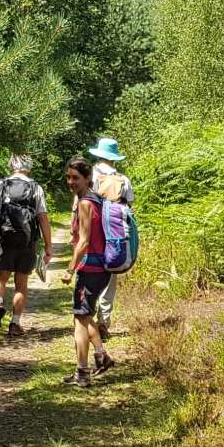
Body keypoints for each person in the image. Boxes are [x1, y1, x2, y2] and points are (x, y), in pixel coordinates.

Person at [62, 156, 116, 387]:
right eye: (68, 177)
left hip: (91, 268)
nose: (70, 182)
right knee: (85, 315)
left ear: (87, 178)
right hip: (101, 267)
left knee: (80, 320)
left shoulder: (85, 203)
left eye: (75, 178)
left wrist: (69, 269)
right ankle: (102, 357)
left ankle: (82, 372)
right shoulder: (97, 199)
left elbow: (83, 241)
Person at [0, 154, 49, 337]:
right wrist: (48, 246)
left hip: (4, 240)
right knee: (21, 284)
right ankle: (15, 323)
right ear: (29, 167)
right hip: (27, 242)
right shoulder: (35, 187)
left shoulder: (1, 185)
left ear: (11, 165)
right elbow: (43, 217)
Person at [85, 136, 133, 339]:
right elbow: (129, 207)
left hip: (93, 229)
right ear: (114, 157)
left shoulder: (90, 175)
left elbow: (81, 203)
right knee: (110, 273)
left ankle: (87, 315)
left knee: (89, 270)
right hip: (115, 232)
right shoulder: (123, 179)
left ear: (99, 155)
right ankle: (104, 321)